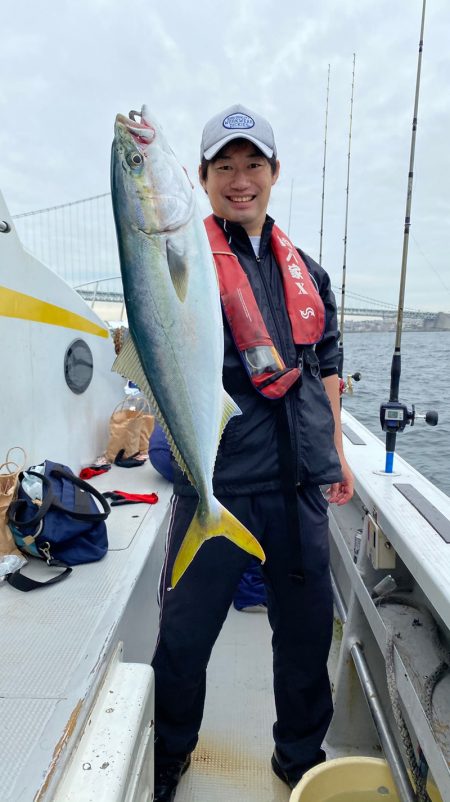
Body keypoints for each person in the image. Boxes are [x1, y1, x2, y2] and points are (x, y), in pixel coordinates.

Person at [151, 103, 354, 802]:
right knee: (184, 639)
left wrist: (338, 451)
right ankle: (167, 754)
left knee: (303, 643)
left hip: (300, 491)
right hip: (221, 481)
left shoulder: (312, 274)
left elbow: (327, 358)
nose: (241, 180)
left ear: (273, 174)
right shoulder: (186, 263)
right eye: (225, 167)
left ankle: (298, 759)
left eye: (253, 165)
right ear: (201, 179)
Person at [148, 422, 268, 611]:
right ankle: (250, 593)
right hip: (174, 452)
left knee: (232, 499)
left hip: (163, 447)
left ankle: (245, 590)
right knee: (240, 501)